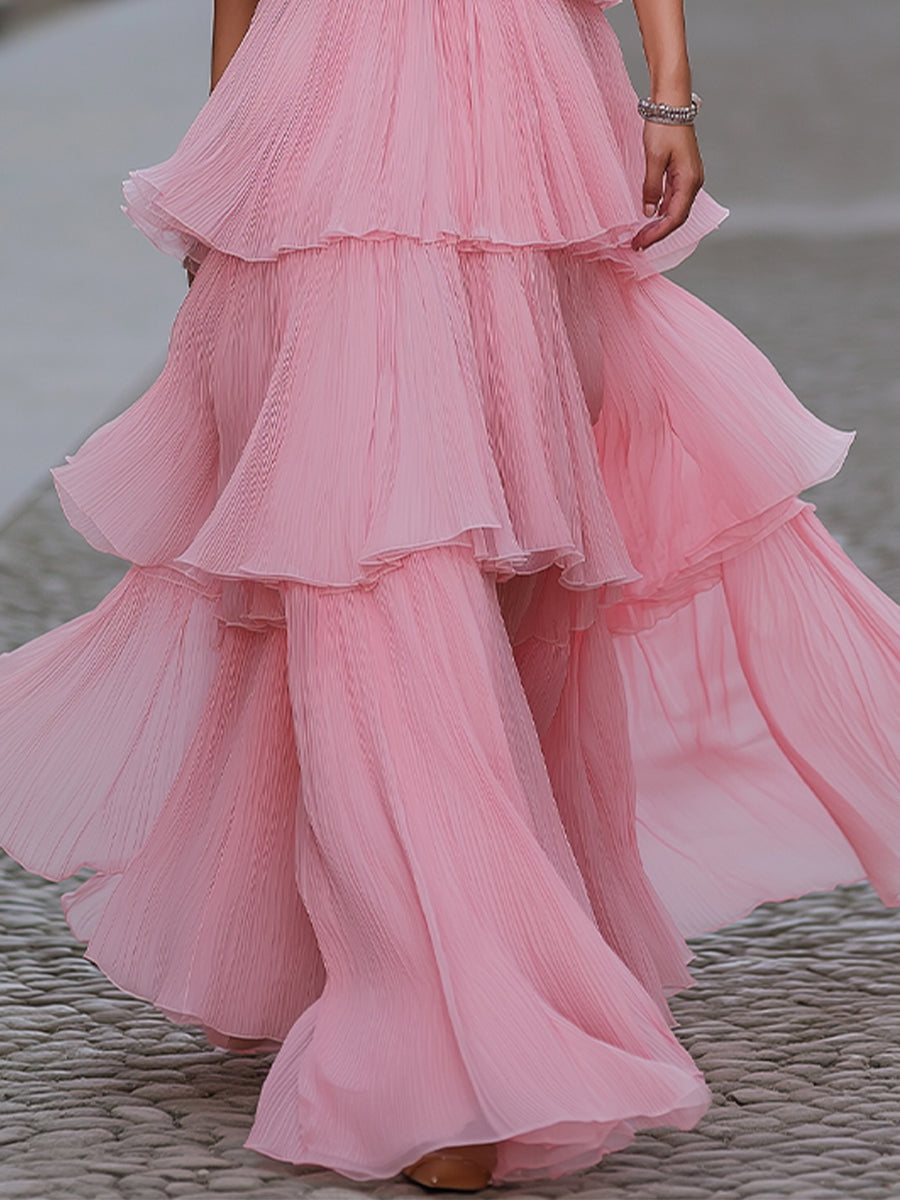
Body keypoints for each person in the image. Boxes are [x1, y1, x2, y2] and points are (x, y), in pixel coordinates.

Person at [1, 0, 898, 1191]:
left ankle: (432, 971)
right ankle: (445, 1027)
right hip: (336, 109)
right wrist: (229, 149)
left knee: (504, 558)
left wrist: (668, 90)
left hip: (517, 112)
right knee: (362, 548)